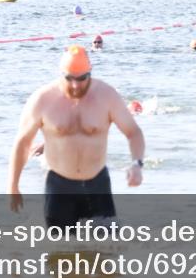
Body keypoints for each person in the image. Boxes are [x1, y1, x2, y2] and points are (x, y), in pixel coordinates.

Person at [8, 46, 145, 228]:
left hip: (97, 185)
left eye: (81, 78)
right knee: (58, 251)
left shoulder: (106, 96)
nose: (75, 85)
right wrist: (13, 186)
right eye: (69, 78)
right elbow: (23, 143)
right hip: (59, 186)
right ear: (61, 74)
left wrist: (137, 164)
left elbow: (133, 132)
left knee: (106, 250)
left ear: (90, 72)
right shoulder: (42, 99)